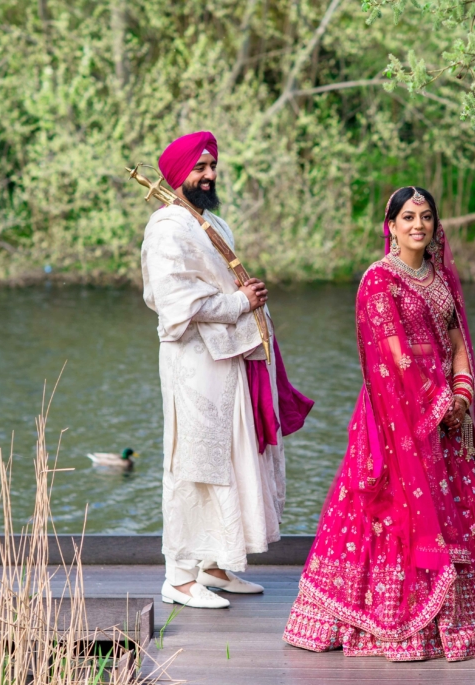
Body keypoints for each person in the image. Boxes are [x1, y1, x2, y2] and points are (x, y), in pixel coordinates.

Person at [283, 186, 475, 660]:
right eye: (409, 217)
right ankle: (389, 623)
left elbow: (458, 340)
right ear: (391, 225)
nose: (419, 225)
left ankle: (467, 620)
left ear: (436, 226)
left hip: (446, 417)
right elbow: (394, 355)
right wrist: (437, 403)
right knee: (388, 507)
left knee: (460, 508)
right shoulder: (379, 281)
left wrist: (460, 393)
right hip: (395, 416)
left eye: (427, 217)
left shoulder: (439, 279)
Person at [141, 131, 312, 609]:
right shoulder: (167, 228)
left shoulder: (210, 221)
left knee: (230, 457)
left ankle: (213, 567)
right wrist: (241, 300)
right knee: (194, 462)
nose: (209, 175)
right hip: (194, 365)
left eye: (212, 166)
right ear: (178, 175)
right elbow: (174, 302)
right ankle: (178, 577)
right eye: (199, 168)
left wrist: (246, 302)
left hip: (229, 361)